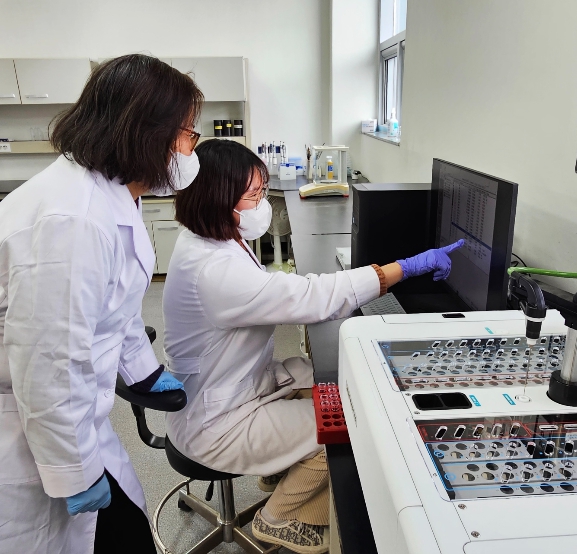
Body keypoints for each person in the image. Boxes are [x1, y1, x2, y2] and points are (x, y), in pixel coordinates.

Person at [163, 139, 464, 554]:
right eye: (253, 196)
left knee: (331, 383)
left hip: (229, 388)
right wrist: (405, 268)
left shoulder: (209, 239)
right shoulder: (213, 270)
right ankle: (279, 517)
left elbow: (280, 292)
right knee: (346, 425)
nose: (261, 205)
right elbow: (312, 298)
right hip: (216, 423)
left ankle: (279, 466)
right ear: (217, 199)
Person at [0, 55, 201, 554]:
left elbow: (117, 308)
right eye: (187, 134)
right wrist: (74, 471)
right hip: (30, 431)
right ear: (147, 133)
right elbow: (48, 363)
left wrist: (144, 373)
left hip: (71, 416)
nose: (191, 149)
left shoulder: (113, 193)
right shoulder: (72, 220)